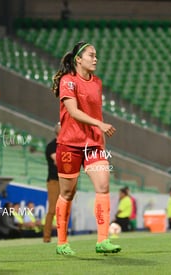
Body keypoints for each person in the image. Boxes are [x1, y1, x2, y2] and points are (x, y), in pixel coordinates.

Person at [51, 41, 121, 255]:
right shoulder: (68, 81)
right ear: (78, 59)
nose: (95, 58)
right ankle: (62, 243)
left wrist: (101, 139)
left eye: (96, 55)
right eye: (91, 55)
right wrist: (100, 125)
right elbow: (72, 111)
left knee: (103, 186)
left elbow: (96, 113)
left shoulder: (97, 82)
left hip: (93, 144)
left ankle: (102, 240)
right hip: (70, 144)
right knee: (67, 193)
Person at [43, 122, 61, 242]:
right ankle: (47, 237)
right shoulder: (52, 145)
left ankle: (62, 237)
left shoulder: (66, 145)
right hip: (54, 180)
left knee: (64, 209)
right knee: (52, 210)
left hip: (64, 180)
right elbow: (58, 161)